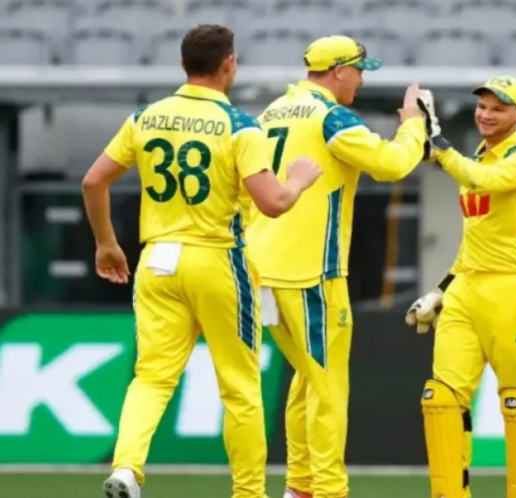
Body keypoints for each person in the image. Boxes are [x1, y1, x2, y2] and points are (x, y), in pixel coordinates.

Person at [81, 24, 321, 498]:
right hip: (217, 259)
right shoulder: (239, 125)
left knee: (151, 377)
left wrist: (106, 243)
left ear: (182, 64)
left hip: (156, 261)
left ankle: (126, 468)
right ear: (229, 63)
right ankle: (248, 493)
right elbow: (272, 202)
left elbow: (93, 181)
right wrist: (298, 179)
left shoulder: (145, 117)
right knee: (240, 387)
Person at [245, 35, 426, 498]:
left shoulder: (270, 114)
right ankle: (328, 490)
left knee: (307, 378)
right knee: (328, 387)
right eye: (359, 71)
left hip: (261, 268)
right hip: (310, 272)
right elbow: (391, 164)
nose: (361, 80)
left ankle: (300, 487)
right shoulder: (332, 117)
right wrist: (414, 125)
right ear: (339, 71)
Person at [408, 76, 516, 498]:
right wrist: (441, 289)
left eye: (498, 109)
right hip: (466, 288)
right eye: (483, 107)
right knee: (440, 398)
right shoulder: (475, 156)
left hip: (515, 289)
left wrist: (438, 143)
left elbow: (482, 181)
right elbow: (475, 240)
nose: (486, 115)